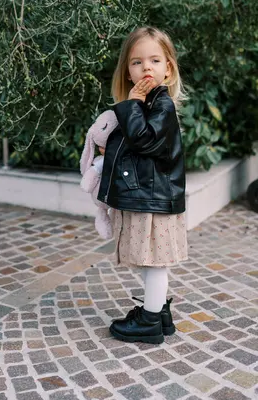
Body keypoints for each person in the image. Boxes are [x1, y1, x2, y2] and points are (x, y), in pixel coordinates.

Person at [97, 26, 188, 345]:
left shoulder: (159, 106)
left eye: (154, 60)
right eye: (136, 62)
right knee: (150, 260)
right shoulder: (146, 106)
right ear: (127, 72)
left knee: (154, 262)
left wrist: (131, 106)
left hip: (154, 201)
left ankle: (150, 322)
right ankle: (159, 312)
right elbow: (136, 148)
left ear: (168, 69)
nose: (146, 67)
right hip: (147, 198)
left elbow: (144, 141)